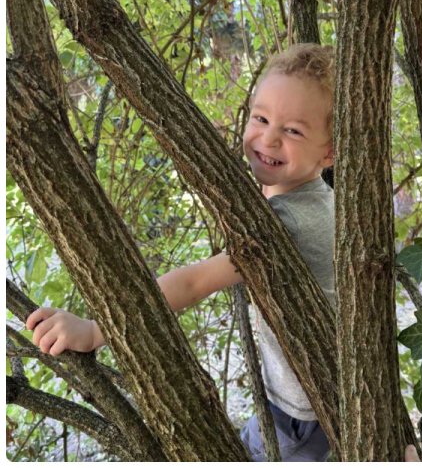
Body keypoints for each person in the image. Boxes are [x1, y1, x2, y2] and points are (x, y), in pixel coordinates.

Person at [25, 44, 336, 462]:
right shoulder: (320, 199)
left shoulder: (286, 223)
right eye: (260, 118)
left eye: (294, 131)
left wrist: (98, 330)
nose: (269, 137)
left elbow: (193, 282)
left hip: (304, 420)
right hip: (310, 404)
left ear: (330, 151)